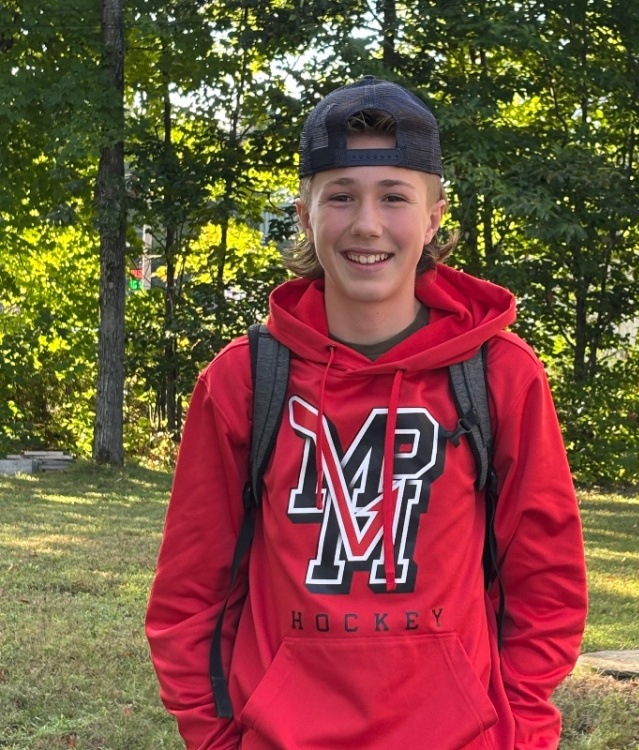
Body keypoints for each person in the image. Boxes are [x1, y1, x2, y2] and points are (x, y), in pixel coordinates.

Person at [146, 75, 587, 750]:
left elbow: (546, 583)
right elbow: (190, 594)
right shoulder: (244, 379)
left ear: (435, 216)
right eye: (342, 196)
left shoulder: (499, 373)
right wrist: (216, 739)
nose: (367, 224)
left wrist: (519, 733)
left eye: (394, 196)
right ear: (305, 214)